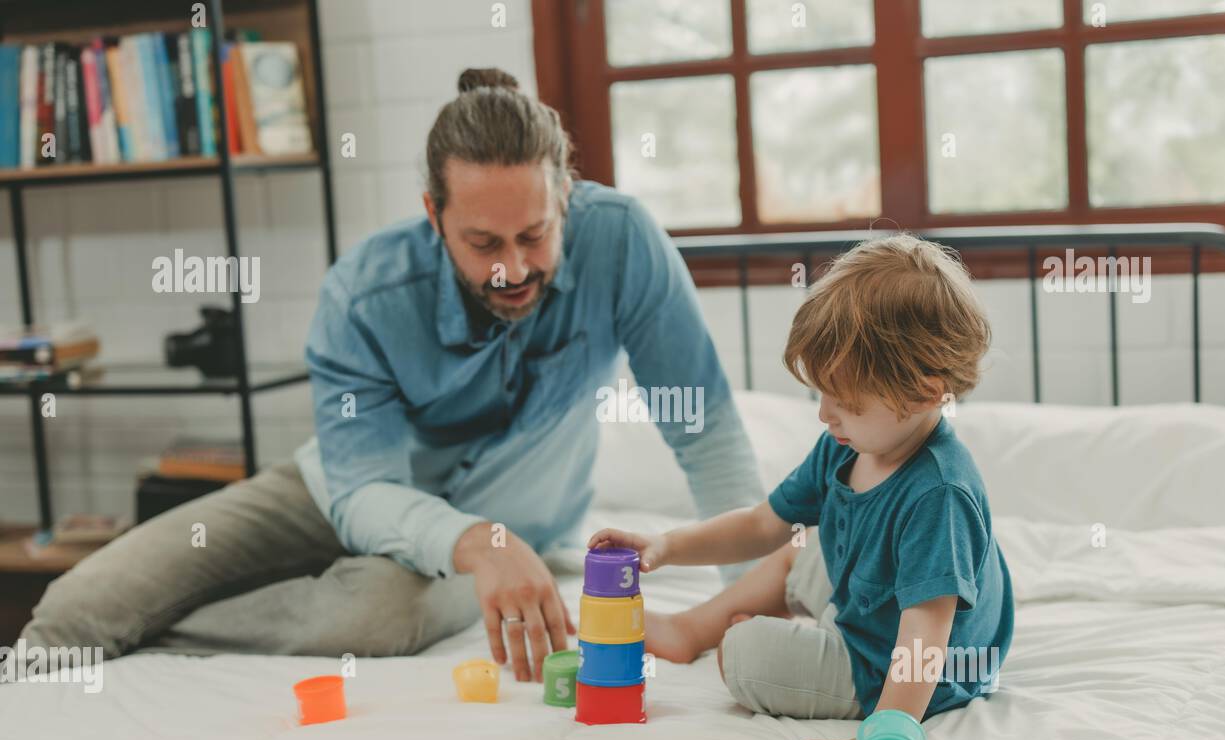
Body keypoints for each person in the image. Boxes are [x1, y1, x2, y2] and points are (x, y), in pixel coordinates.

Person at [11, 68, 763, 683]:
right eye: (483, 241)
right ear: (432, 216)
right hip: (346, 489)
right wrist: (477, 542)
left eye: (534, 235)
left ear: (565, 197)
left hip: (517, 529)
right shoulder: (363, 295)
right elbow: (363, 490)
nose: (514, 266)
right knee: (80, 605)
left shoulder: (623, 244)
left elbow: (705, 433)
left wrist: (747, 605)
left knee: (373, 613)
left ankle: (156, 642)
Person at [589, 234, 1015, 740]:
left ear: (926, 394)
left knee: (740, 654)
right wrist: (667, 545)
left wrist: (878, 736)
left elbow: (924, 639)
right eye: (821, 394)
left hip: (902, 667)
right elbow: (762, 523)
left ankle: (786, 645)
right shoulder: (845, 446)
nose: (825, 414)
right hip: (868, 611)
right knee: (795, 548)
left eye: (848, 401)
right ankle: (688, 628)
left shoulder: (940, 496)